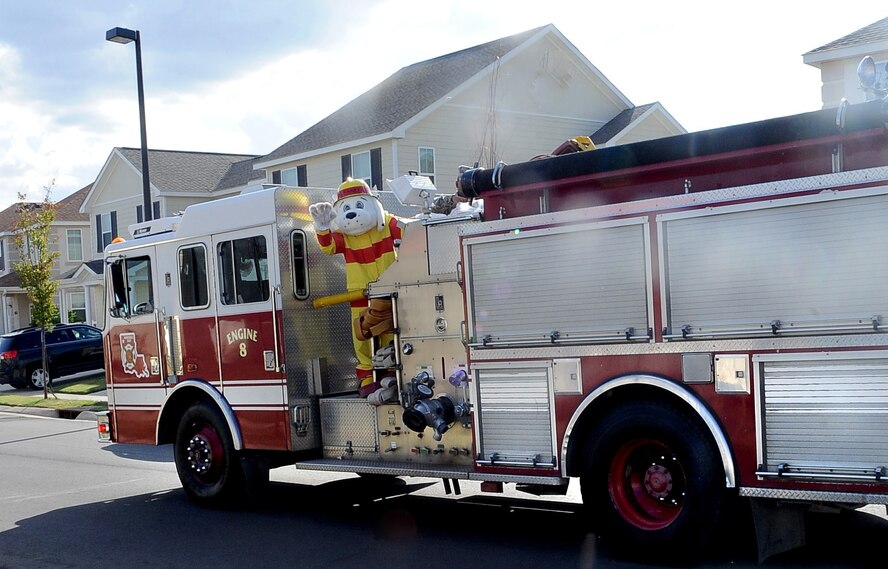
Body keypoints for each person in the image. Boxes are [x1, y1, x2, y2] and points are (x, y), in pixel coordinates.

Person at [309, 178, 406, 404]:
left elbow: (408, 233)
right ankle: (366, 379)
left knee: (393, 333)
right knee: (361, 337)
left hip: (390, 291)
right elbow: (329, 247)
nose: (352, 214)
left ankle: (392, 374)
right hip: (359, 296)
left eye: (359, 205)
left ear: (373, 205)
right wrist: (322, 227)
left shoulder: (388, 224)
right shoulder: (345, 237)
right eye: (346, 209)